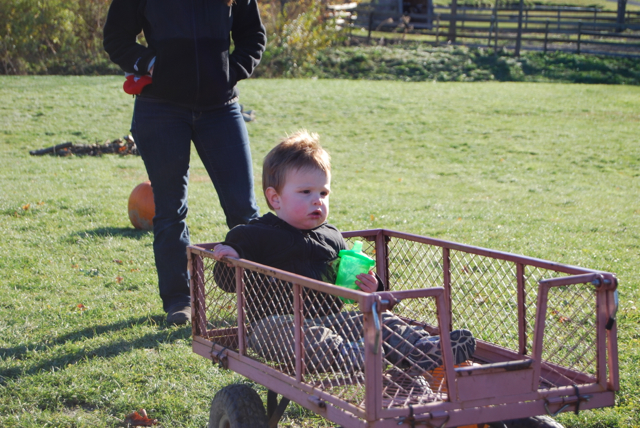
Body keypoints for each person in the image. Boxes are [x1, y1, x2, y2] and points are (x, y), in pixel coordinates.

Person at [212, 130, 476, 376]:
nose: (317, 200)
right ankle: (354, 355)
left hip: (333, 318)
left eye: (323, 192)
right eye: (305, 192)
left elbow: (350, 283)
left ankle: (423, 348)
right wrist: (230, 257)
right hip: (273, 325)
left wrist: (370, 286)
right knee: (304, 335)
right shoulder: (254, 234)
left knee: (381, 321)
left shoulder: (332, 236)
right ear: (275, 198)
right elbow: (227, 281)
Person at [103, 0, 266, 325]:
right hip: (160, 109)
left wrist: (228, 72)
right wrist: (148, 62)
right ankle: (180, 301)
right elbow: (115, 37)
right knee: (170, 211)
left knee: (243, 210)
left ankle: (262, 298)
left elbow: (253, 36)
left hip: (221, 109)